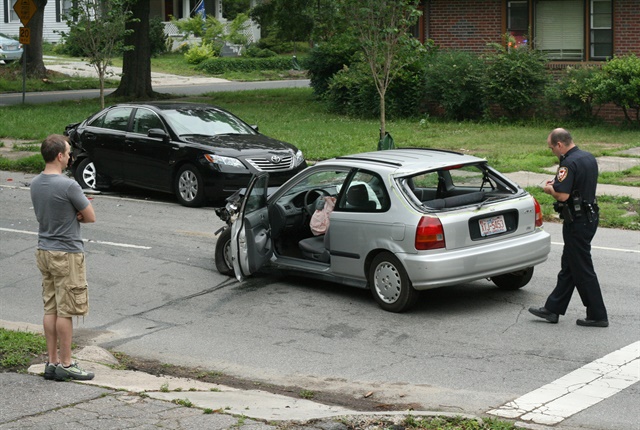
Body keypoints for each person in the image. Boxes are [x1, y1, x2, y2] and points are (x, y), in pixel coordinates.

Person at [30, 134, 97, 380]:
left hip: (44, 250)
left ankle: (52, 362)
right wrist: (77, 213)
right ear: (59, 156)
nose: (70, 157)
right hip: (67, 252)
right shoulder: (68, 185)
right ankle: (67, 365)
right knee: (66, 310)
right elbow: (90, 216)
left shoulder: (36, 183)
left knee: (51, 307)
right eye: (68, 153)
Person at [529, 128, 608, 327]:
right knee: (570, 265)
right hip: (589, 217)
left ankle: (598, 314)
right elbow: (577, 186)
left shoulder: (568, 163)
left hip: (577, 221)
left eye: (551, 148)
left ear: (560, 145)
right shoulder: (588, 158)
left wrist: (550, 189)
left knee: (582, 267)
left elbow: (563, 196)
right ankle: (553, 309)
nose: (552, 152)